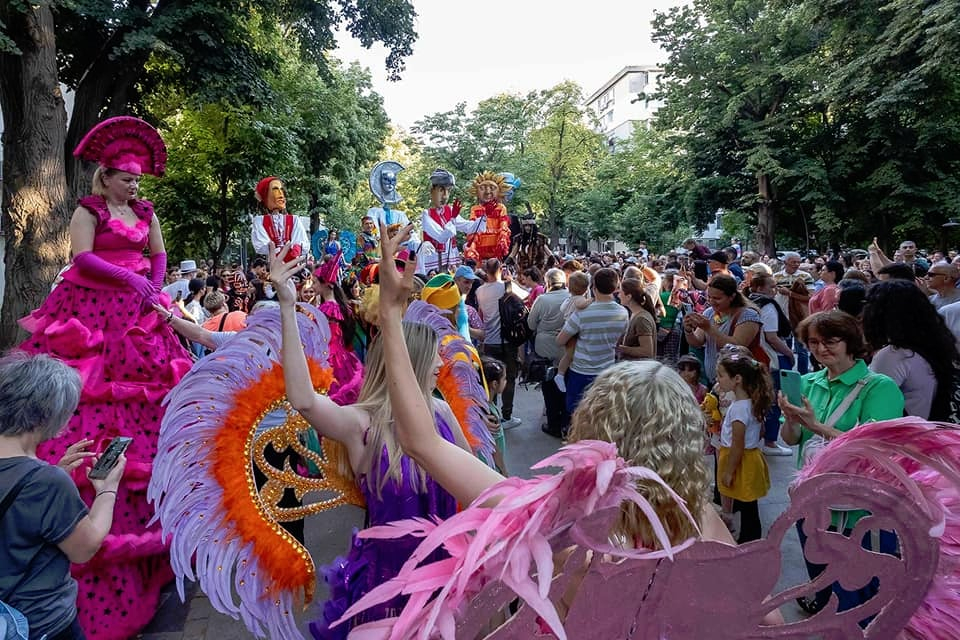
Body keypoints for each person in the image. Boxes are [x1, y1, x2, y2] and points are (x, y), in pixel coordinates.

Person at [17, 116, 191, 639]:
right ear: (106, 177)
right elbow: (82, 258)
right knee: (94, 403)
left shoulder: (145, 212)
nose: (135, 187)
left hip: (140, 314)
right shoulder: (87, 210)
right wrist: (127, 277)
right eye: (127, 179)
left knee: (156, 408)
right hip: (91, 313)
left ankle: (166, 540)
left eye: (138, 180)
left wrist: (154, 288)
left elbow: (158, 255)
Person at [269, 241, 470, 638]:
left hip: (448, 578)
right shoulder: (361, 424)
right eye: (433, 358)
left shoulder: (441, 412)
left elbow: (477, 489)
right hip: (385, 588)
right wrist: (287, 306)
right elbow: (303, 399)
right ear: (409, 362)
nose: (439, 367)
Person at [862, 280, 958, 420]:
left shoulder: (893, 355)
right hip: (933, 429)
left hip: (905, 436)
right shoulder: (934, 344)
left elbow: (870, 404)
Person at [714, 351, 773, 543]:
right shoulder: (751, 403)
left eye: (721, 375)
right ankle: (750, 536)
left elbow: (737, 445)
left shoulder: (739, 409)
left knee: (747, 503)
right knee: (748, 500)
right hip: (750, 457)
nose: (718, 380)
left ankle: (749, 539)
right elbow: (760, 431)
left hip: (740, 460)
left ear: (737, 379)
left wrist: (729, 472)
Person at [556, 268, 629, 416]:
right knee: (601, 414)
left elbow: (560, 340)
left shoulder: (582, 313)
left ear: (593, 287)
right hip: (607, 370)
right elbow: (618, 340)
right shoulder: (623, 312)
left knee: (577, 413)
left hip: (581, 371)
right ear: (616, 287)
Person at [682, 274, 763, 384]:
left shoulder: (748, 315)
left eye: (717, 298)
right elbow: (697, 342)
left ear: (732, 296)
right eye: (709, 297)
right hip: (716, 381)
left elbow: (736, 346)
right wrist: (688, 330)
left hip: (740, 382)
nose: (711, 301)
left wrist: (709, 328)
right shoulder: (710, 312)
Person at [475, 259, 525, 429]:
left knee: (490, 379)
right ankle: (507, 416)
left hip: (489, 341)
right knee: (509, 378)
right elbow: (526, 295)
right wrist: (511, 280)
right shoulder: (506, 287)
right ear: (500, 269)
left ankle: (491, 413)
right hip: (507, 341)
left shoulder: (480, 291)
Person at [417, 169, 477, 273]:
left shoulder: (449, 211)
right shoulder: (427, 214)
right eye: (441, 190)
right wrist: (453, 218)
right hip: (433, 263)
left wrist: (485, 216)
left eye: (448, 191)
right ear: (432, 191)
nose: (445, 196)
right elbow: (441, 237)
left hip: (450, 262)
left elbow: (468, 227)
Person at [250, 176, 310, 261]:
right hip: (274, 266)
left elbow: (302, 242)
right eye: (275, 189)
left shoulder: (294, 219)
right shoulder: (260, 221)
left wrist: (297, 248)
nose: (280, 194)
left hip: (292, 264)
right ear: (266, 195)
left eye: (281, 189)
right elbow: (261, 245)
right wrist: (278, 250)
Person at [463, 172, 513, 262]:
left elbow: (503, 225)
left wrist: (502, 240)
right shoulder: (475, 209)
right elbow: (473, 229)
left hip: (495, 251)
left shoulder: (501, 207)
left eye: (492, 188)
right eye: (483, 188)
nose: (488, 191)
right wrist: (472, 246)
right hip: (479, 251)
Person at [480, 357, 509, 475]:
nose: (506, 382)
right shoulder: (489, 415)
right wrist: (503, 470)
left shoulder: (480, 404)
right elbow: (494, 448)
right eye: (504, 379)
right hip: (491, 467)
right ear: (494, 384)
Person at [617, 277, 658, 360]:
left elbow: (647, 351)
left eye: (620, 292)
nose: (618, 295)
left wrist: (620, 348)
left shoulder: (641, 319)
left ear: (628, 296)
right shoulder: (636, 314)